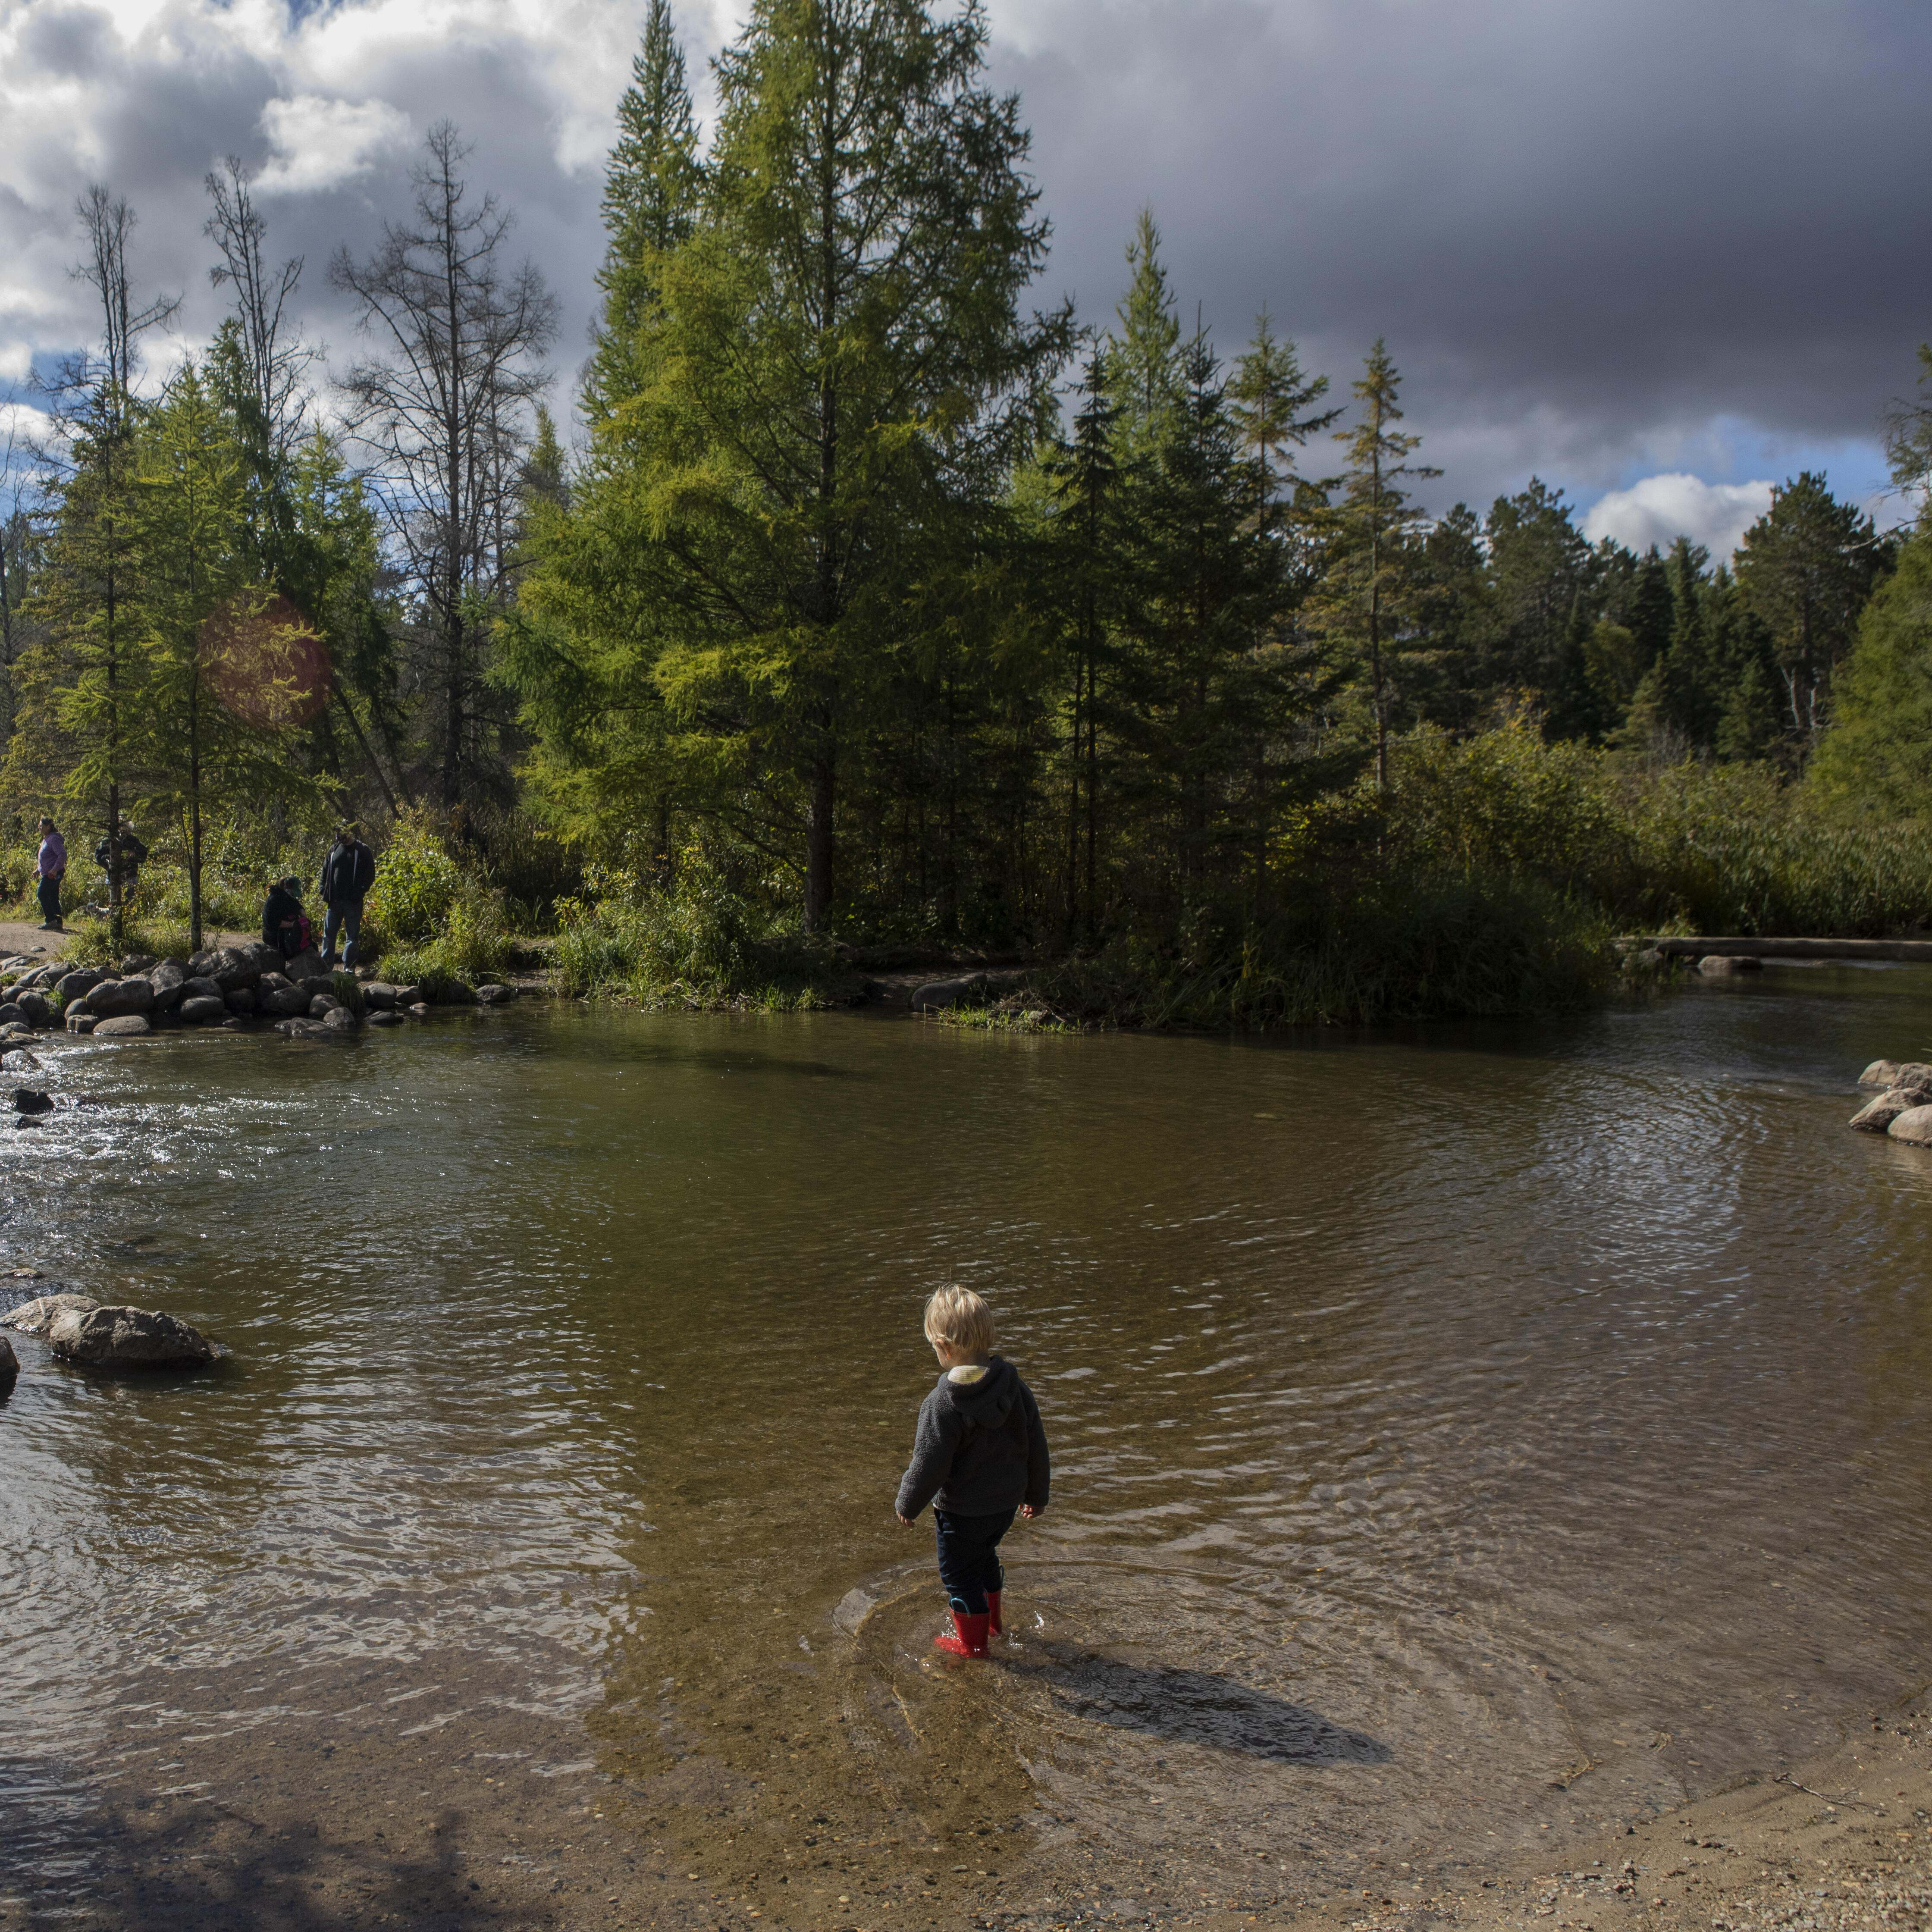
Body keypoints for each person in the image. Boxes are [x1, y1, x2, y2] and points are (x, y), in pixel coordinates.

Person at [894, 1285, 1050, 1660]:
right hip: (1004, 1507)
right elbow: (1036, 1443)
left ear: (945, 1347)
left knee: (959, 1577)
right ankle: (994, 1626)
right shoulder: (1014, 1388)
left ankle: (974, 1647)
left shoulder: (942, 1403)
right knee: (984, 1558)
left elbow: (929, 1462)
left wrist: (908, 1503)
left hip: (961, 1513)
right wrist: (1036, 1495)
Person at [317, 824, 376, 969]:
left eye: (341, 833)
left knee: (352, 937)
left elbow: (370, 874)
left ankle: (349, 968)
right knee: (329, 935)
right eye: (337, 833)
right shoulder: (334, 849)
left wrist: (361, 891)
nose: (338, 836)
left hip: (353, 902)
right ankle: (326, 966)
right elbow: (325, 870)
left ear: (349, 832)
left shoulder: (362, 850)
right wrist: (322, 888)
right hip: (334, 901)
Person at [94, 824, 148, 904]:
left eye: (127, 830)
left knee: (131, 904)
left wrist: (134, 854)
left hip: (130, 878)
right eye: (122, 829)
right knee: (115, 904)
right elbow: (98, 855)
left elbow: (144, 854)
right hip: (113, 877)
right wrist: (109, 858)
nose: (124, 832)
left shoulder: (133, 841)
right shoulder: (108, 841)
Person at [262, 875, 311, 962]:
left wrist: (304, 919)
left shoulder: (288, 897)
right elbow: (273, 922)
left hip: (285, 932)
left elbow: (298, 907)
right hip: (273, 935)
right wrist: (293, 925)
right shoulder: (274, 899)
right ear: (286, 888)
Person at [33, 817, 66, 932]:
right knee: (53, 896)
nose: (39, 828)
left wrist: (55, 870)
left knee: (42, 893)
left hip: (52, 874)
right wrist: (38, 870)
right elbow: (47, 858)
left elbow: (62, 855)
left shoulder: (54, 839)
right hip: (48, 873)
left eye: (41, 826)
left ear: (48, 827)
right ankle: (58, 923)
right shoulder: (47, 839)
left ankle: (51, 921)